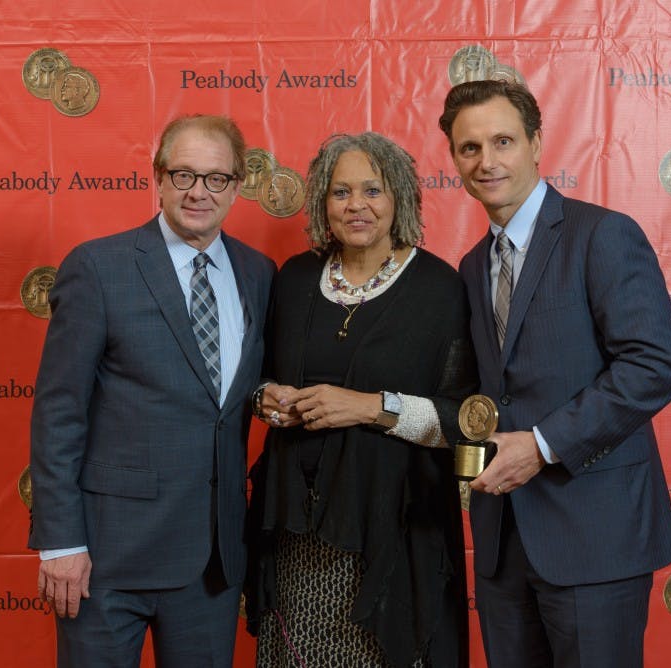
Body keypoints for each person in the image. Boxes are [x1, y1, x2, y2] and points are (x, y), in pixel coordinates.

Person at [439, 79, 671, 668]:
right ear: (453, 159)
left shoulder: (601, 234)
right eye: (469, 148)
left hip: (595, 535)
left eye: (503, 141)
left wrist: (544, 446)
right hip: (503, 543)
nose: (487, 161)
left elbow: (655, 365)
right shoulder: (474, 265)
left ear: (536, 143)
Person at [28, 114, 276, 668]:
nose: (198, 191)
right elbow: (58, 412)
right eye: (183, 174)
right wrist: (62, 543)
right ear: (158, 178)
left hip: (212, 561)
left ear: (236, 188)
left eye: (215, 178)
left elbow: (239, 394)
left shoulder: (258, 273)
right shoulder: (98, 268)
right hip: (108, 556)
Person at [246, 132, 476, 667]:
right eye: (340, 191)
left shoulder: (440, 289)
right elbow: (258, 380)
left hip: (393, 532)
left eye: (372, 190)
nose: (356, 206)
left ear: (399, 197)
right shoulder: (296, 278)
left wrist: (372, 406)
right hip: (298, 534)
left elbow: (463, 419)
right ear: (323, 202)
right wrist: (266, 399)